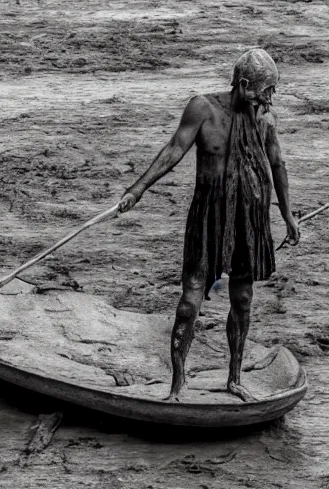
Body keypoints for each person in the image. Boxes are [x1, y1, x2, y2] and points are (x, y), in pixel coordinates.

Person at [118, 48, 299, 402]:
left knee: (243, 299)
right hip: (208, 217)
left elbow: (277, 165)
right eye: (265, 91)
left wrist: (287, 215)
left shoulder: (264, 120)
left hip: (249, 219)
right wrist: (136, 190)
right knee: (190, 300)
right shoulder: (202, 108)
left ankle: (234, 379)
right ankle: (177, 385)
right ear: (244, 85)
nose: (269, 99)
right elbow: (174, 149)